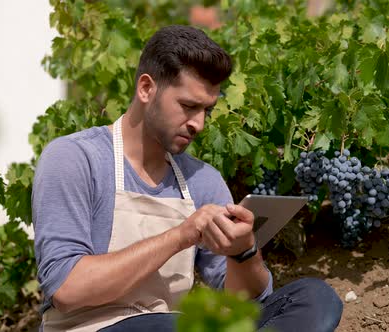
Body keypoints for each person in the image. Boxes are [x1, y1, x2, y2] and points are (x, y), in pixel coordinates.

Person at [32, 25, 343, 332]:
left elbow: (245, 303)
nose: (199, 124)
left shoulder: (202, 180)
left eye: (207, 110)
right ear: (146, 89)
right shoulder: (75, 159)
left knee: (315, 298)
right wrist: (181, 235)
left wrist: (243, 251)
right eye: (188, 106)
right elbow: (67, 289)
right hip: (93, 327)